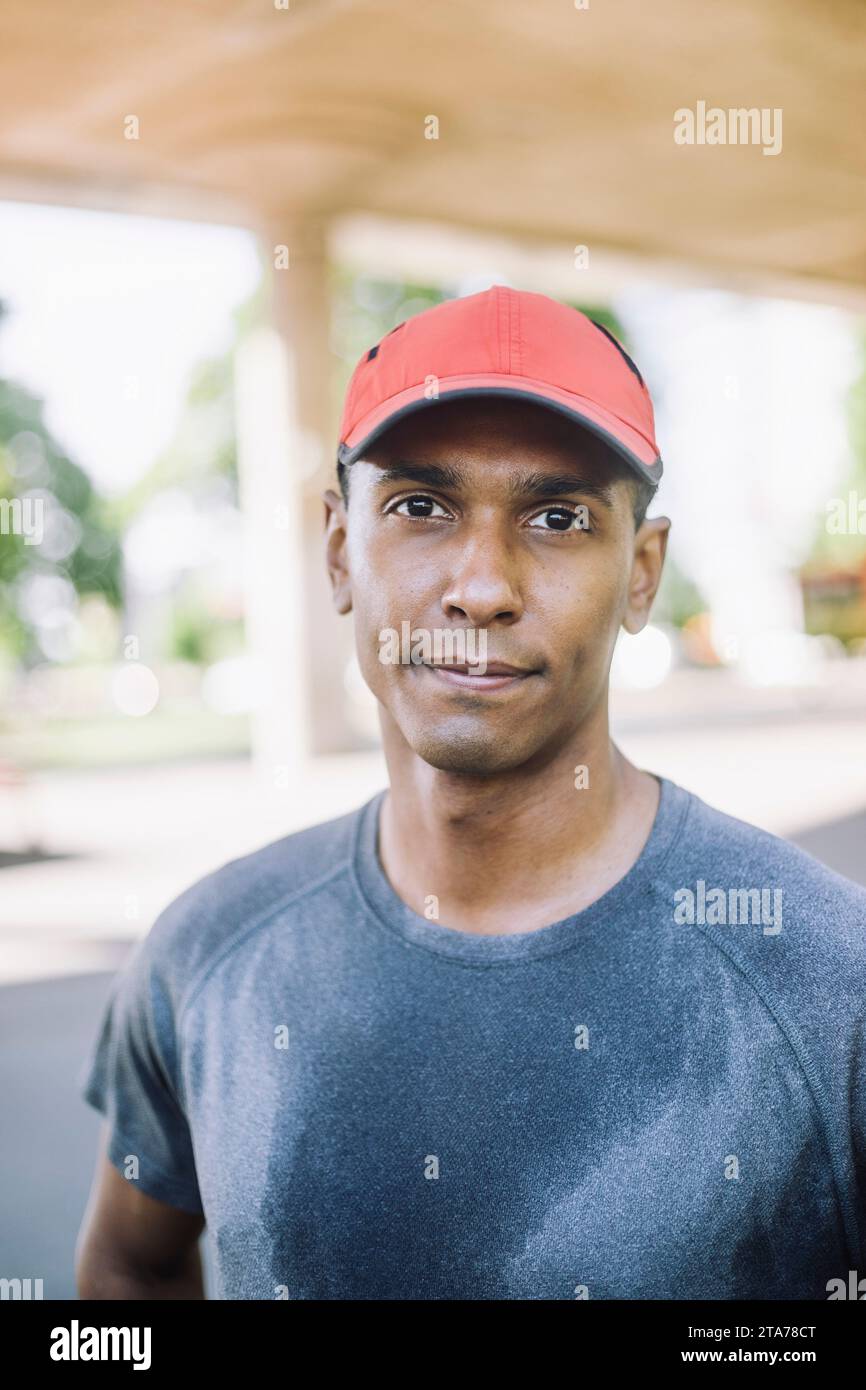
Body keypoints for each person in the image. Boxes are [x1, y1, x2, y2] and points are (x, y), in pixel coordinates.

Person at [75, 285, 866, 1300]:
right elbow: (127, 1272)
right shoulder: (206, 953)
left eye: (554, 516)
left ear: (639, 572)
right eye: (419, 506)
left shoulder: (826, 979)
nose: (480, 585)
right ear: (336, 550)